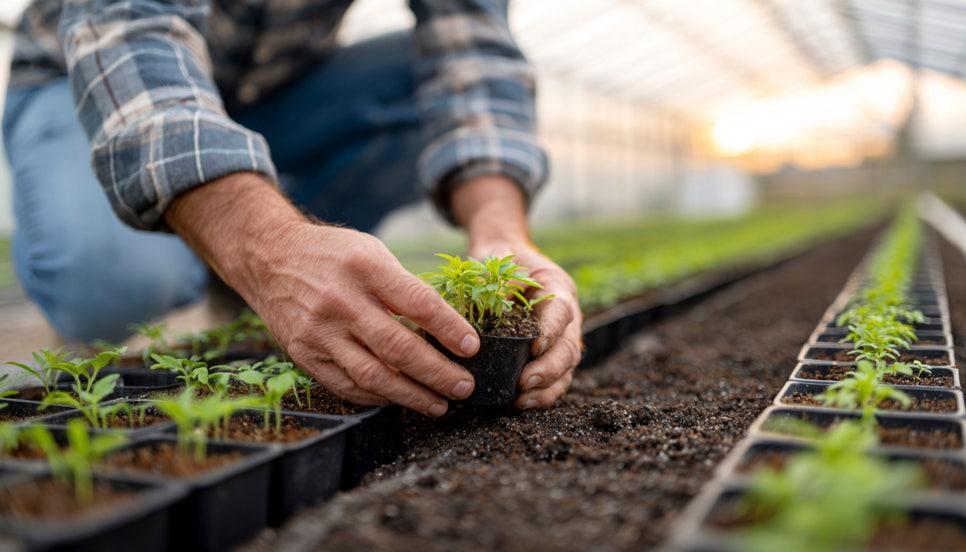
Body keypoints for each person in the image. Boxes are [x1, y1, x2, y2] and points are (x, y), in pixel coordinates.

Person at [2, 0, 582, 416]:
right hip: (91, 79)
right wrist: (264, 245)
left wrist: (502, 233)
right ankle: (240, 252)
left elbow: (472, 51)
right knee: (112, 281)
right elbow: (129, 26)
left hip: (278, 92)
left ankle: (257, 276)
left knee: (423, 84)